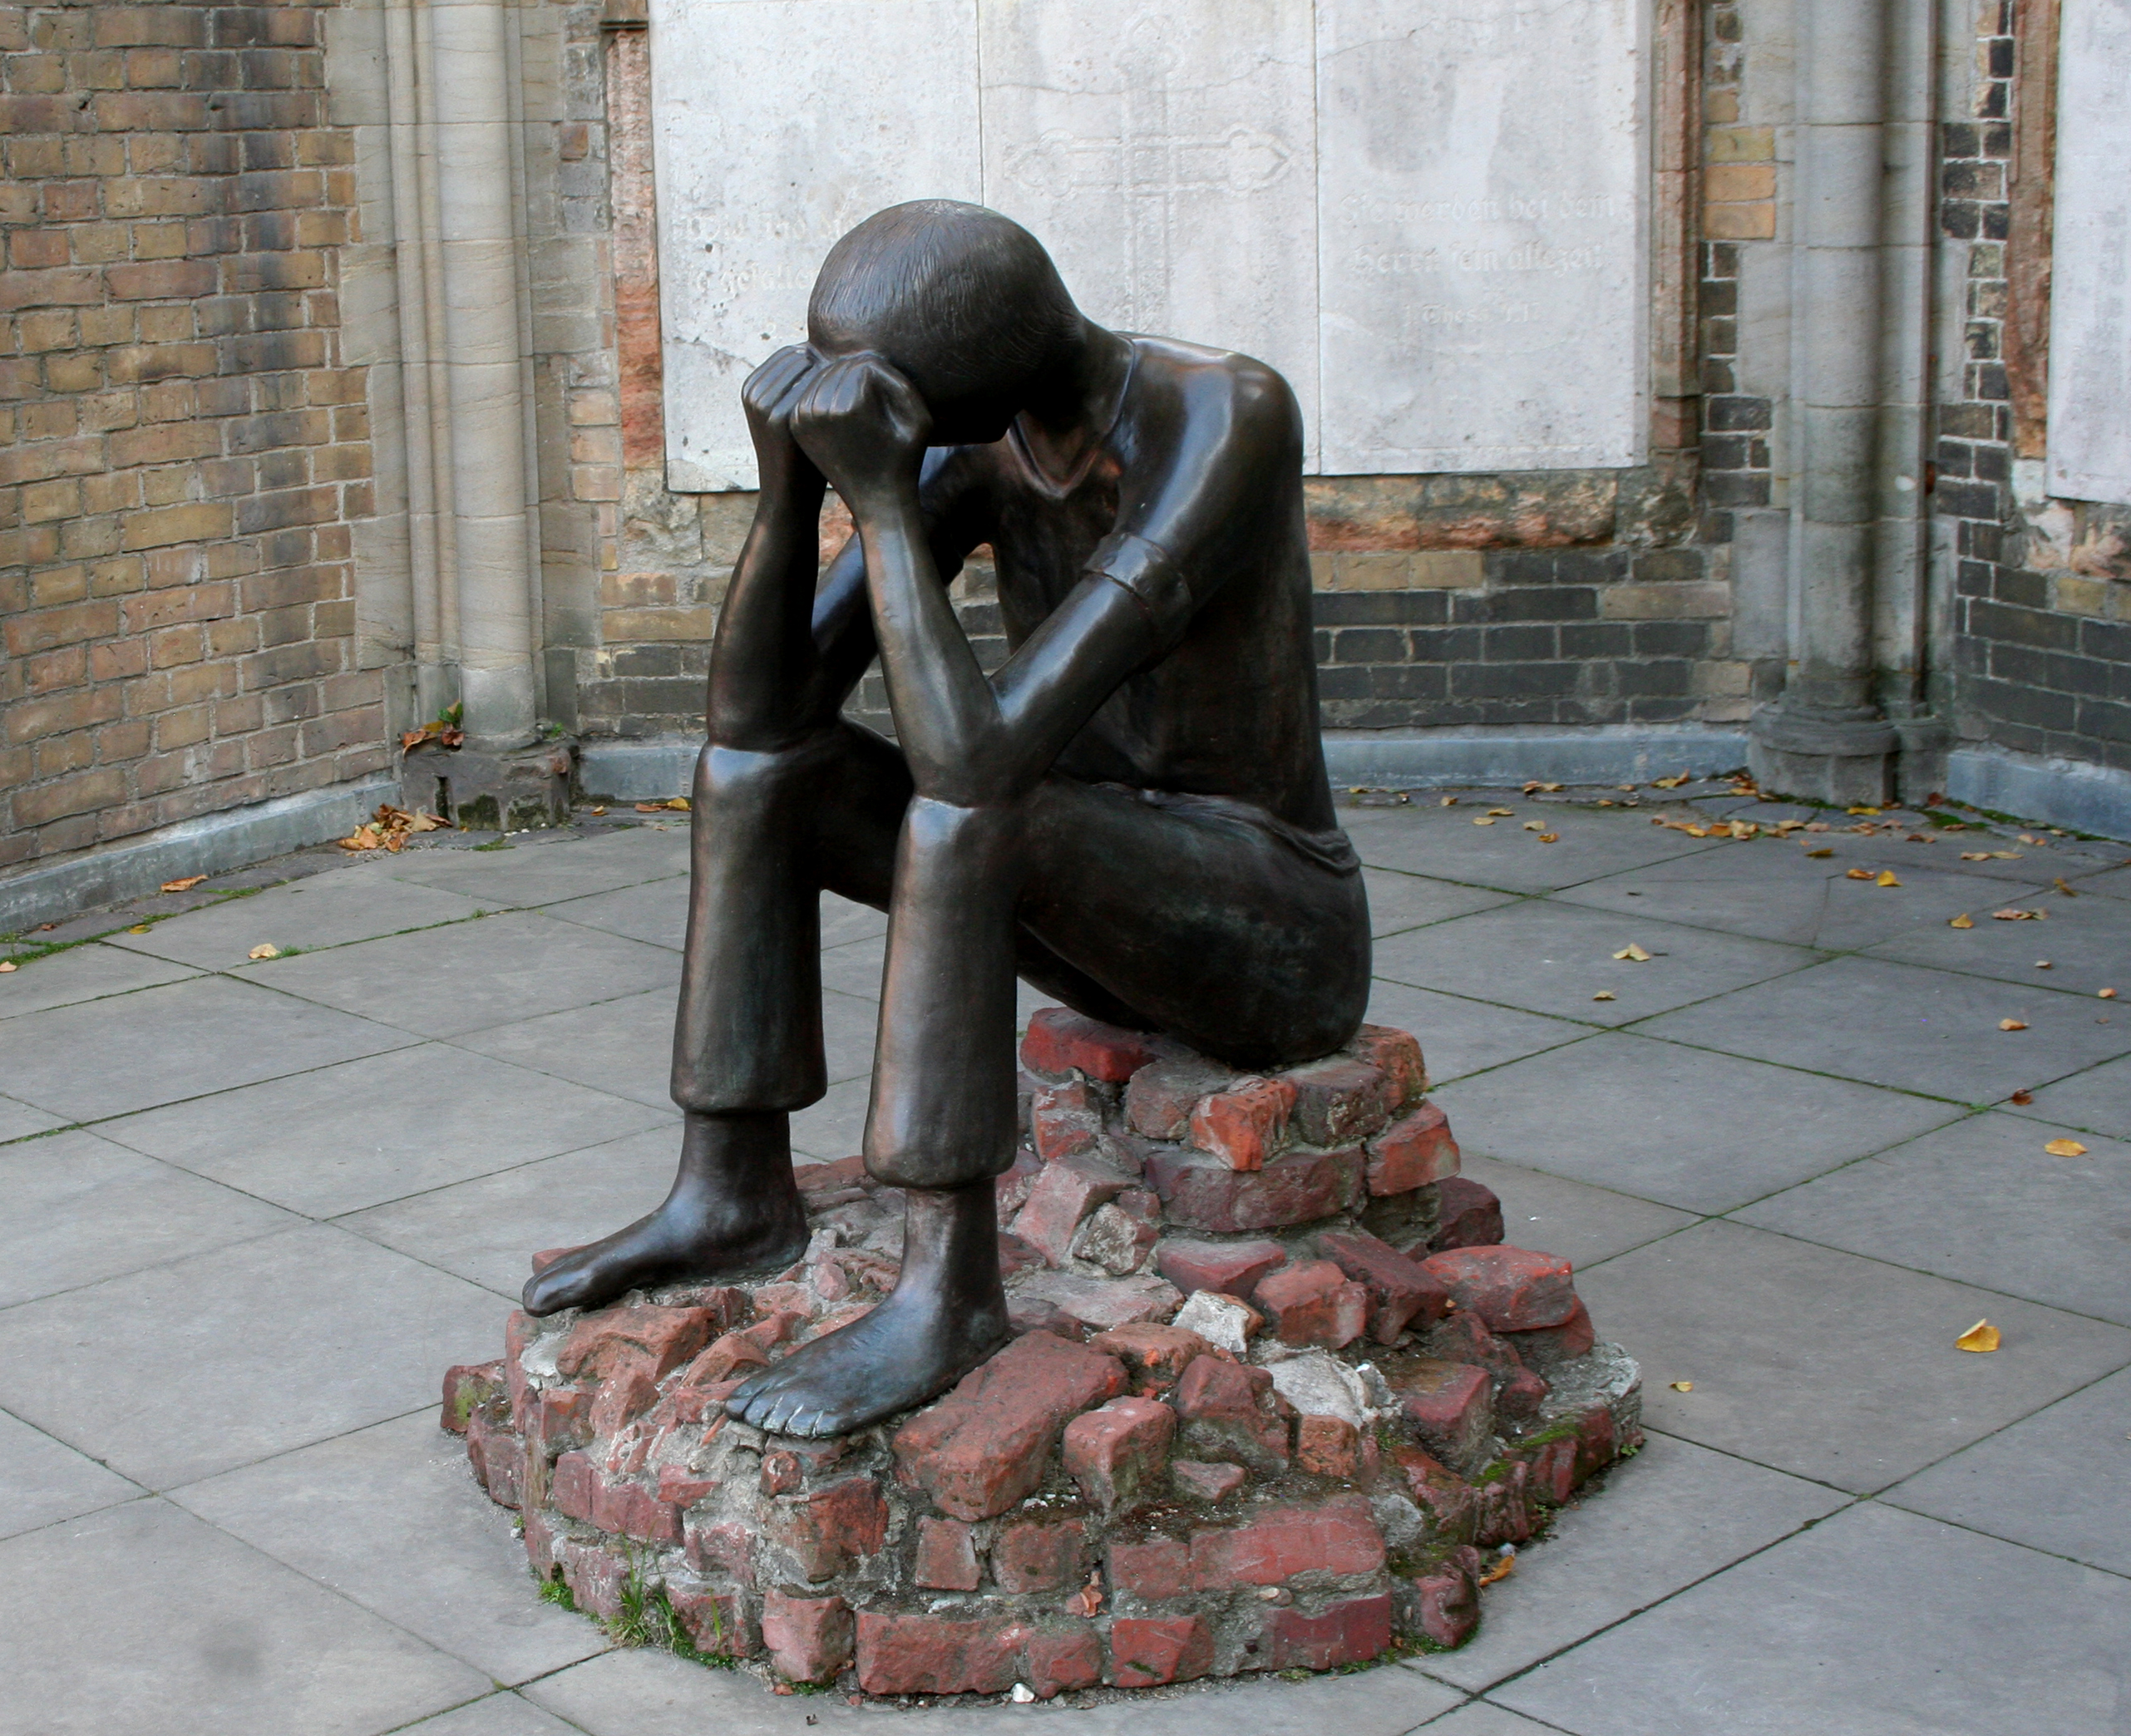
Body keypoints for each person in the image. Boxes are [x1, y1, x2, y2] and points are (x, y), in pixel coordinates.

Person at [523, 200, 1370, 1437]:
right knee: (760, 777)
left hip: (1270, 924)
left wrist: (881, 504)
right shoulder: (994, 431)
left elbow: (976, 766)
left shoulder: (1223, 415)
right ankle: (731, 1189)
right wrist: (787, 496)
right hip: (1089, 888)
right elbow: (760, 717)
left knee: (968, 816)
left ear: (961, 390)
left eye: (881, 408)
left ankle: (948, 1290)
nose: (854, 420)